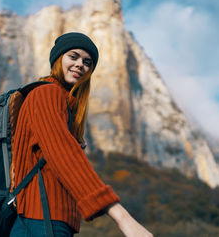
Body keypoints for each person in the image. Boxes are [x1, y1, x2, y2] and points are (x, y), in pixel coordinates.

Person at [10, 32, 153, 237]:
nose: (80, 65)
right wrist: (124, 219)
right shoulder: (46, 94)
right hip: (40, 219)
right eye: (73, 56)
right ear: (58, 59)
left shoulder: (63, 103)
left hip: (48, 220)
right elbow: (64, 156)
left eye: (87, 62)